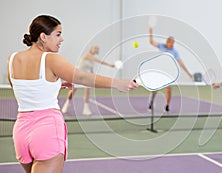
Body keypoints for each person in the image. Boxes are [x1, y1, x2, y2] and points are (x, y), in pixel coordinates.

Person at [7, 15, 138, 173]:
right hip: (46, 130)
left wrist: (53, 85)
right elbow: (82, 77)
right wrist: (118, 83)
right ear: (43, 37)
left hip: (21, 132)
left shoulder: (13, 59)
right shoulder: (51, 59)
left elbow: (21, 87)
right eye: (58, 34)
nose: (61, 39)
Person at [148, 27, 193, 112]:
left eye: (173, 43)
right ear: (167, 42)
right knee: (155, 89)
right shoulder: (161, 46)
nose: (172, 44)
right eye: (171, 43)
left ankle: (167, 106)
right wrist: (150, 32)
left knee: (168, 89)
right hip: (159, 71)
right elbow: (151, 42)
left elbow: (181, 63)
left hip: (167, 73)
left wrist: (189, 74)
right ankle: (151, 102)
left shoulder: (174, 52)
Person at [61, 45, 115, 115]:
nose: (96, 49)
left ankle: (86, 110)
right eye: (95, 48)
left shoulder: (92, 61)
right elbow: (99, 61)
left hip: (86, 77)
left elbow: (91, 71)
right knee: (73, 91)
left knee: (87, 91)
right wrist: (110, 65)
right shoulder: (87, 55)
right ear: (91, 49)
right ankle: (67, 104)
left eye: (97, 48)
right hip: (78, 75)